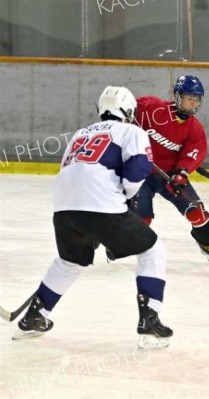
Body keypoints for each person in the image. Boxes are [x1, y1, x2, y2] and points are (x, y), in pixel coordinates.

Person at [15, 86, 173, 348]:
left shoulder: (79, 134)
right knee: (153, 250)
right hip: (101, 205)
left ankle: (35, 315)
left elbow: (69, 169)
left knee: (69, 261)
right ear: (129, 111)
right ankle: (150, 321)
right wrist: (125, 198)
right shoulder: (132, 131)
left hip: (64, 209)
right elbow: (137, 170)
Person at [133, 75, 209, 264]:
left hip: (169, 175)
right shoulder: (152, 108)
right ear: (177, 96)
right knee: (142, 216)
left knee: (196, 211)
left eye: (196, 100)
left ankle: (207, 244)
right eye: (189, 98)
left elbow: (193, 153)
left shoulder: (195, 129)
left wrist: (181, 173)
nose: (193, 104)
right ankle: (126, 243)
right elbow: (127, 108)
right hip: (141, 172)